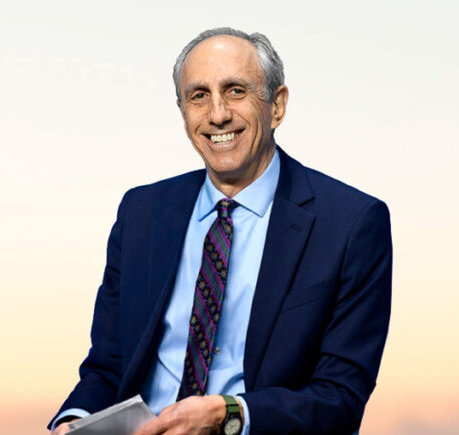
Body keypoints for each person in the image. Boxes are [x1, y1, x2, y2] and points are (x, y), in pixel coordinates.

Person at [49, 27, 392, 435]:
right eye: (199, 96)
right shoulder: (141, 213)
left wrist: (227, 415)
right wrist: (74, 421)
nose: (217, 114)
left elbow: (340, 399)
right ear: (183, 113)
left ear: (277, 106)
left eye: (235, 91)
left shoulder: (351, 224)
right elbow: (107, 366)